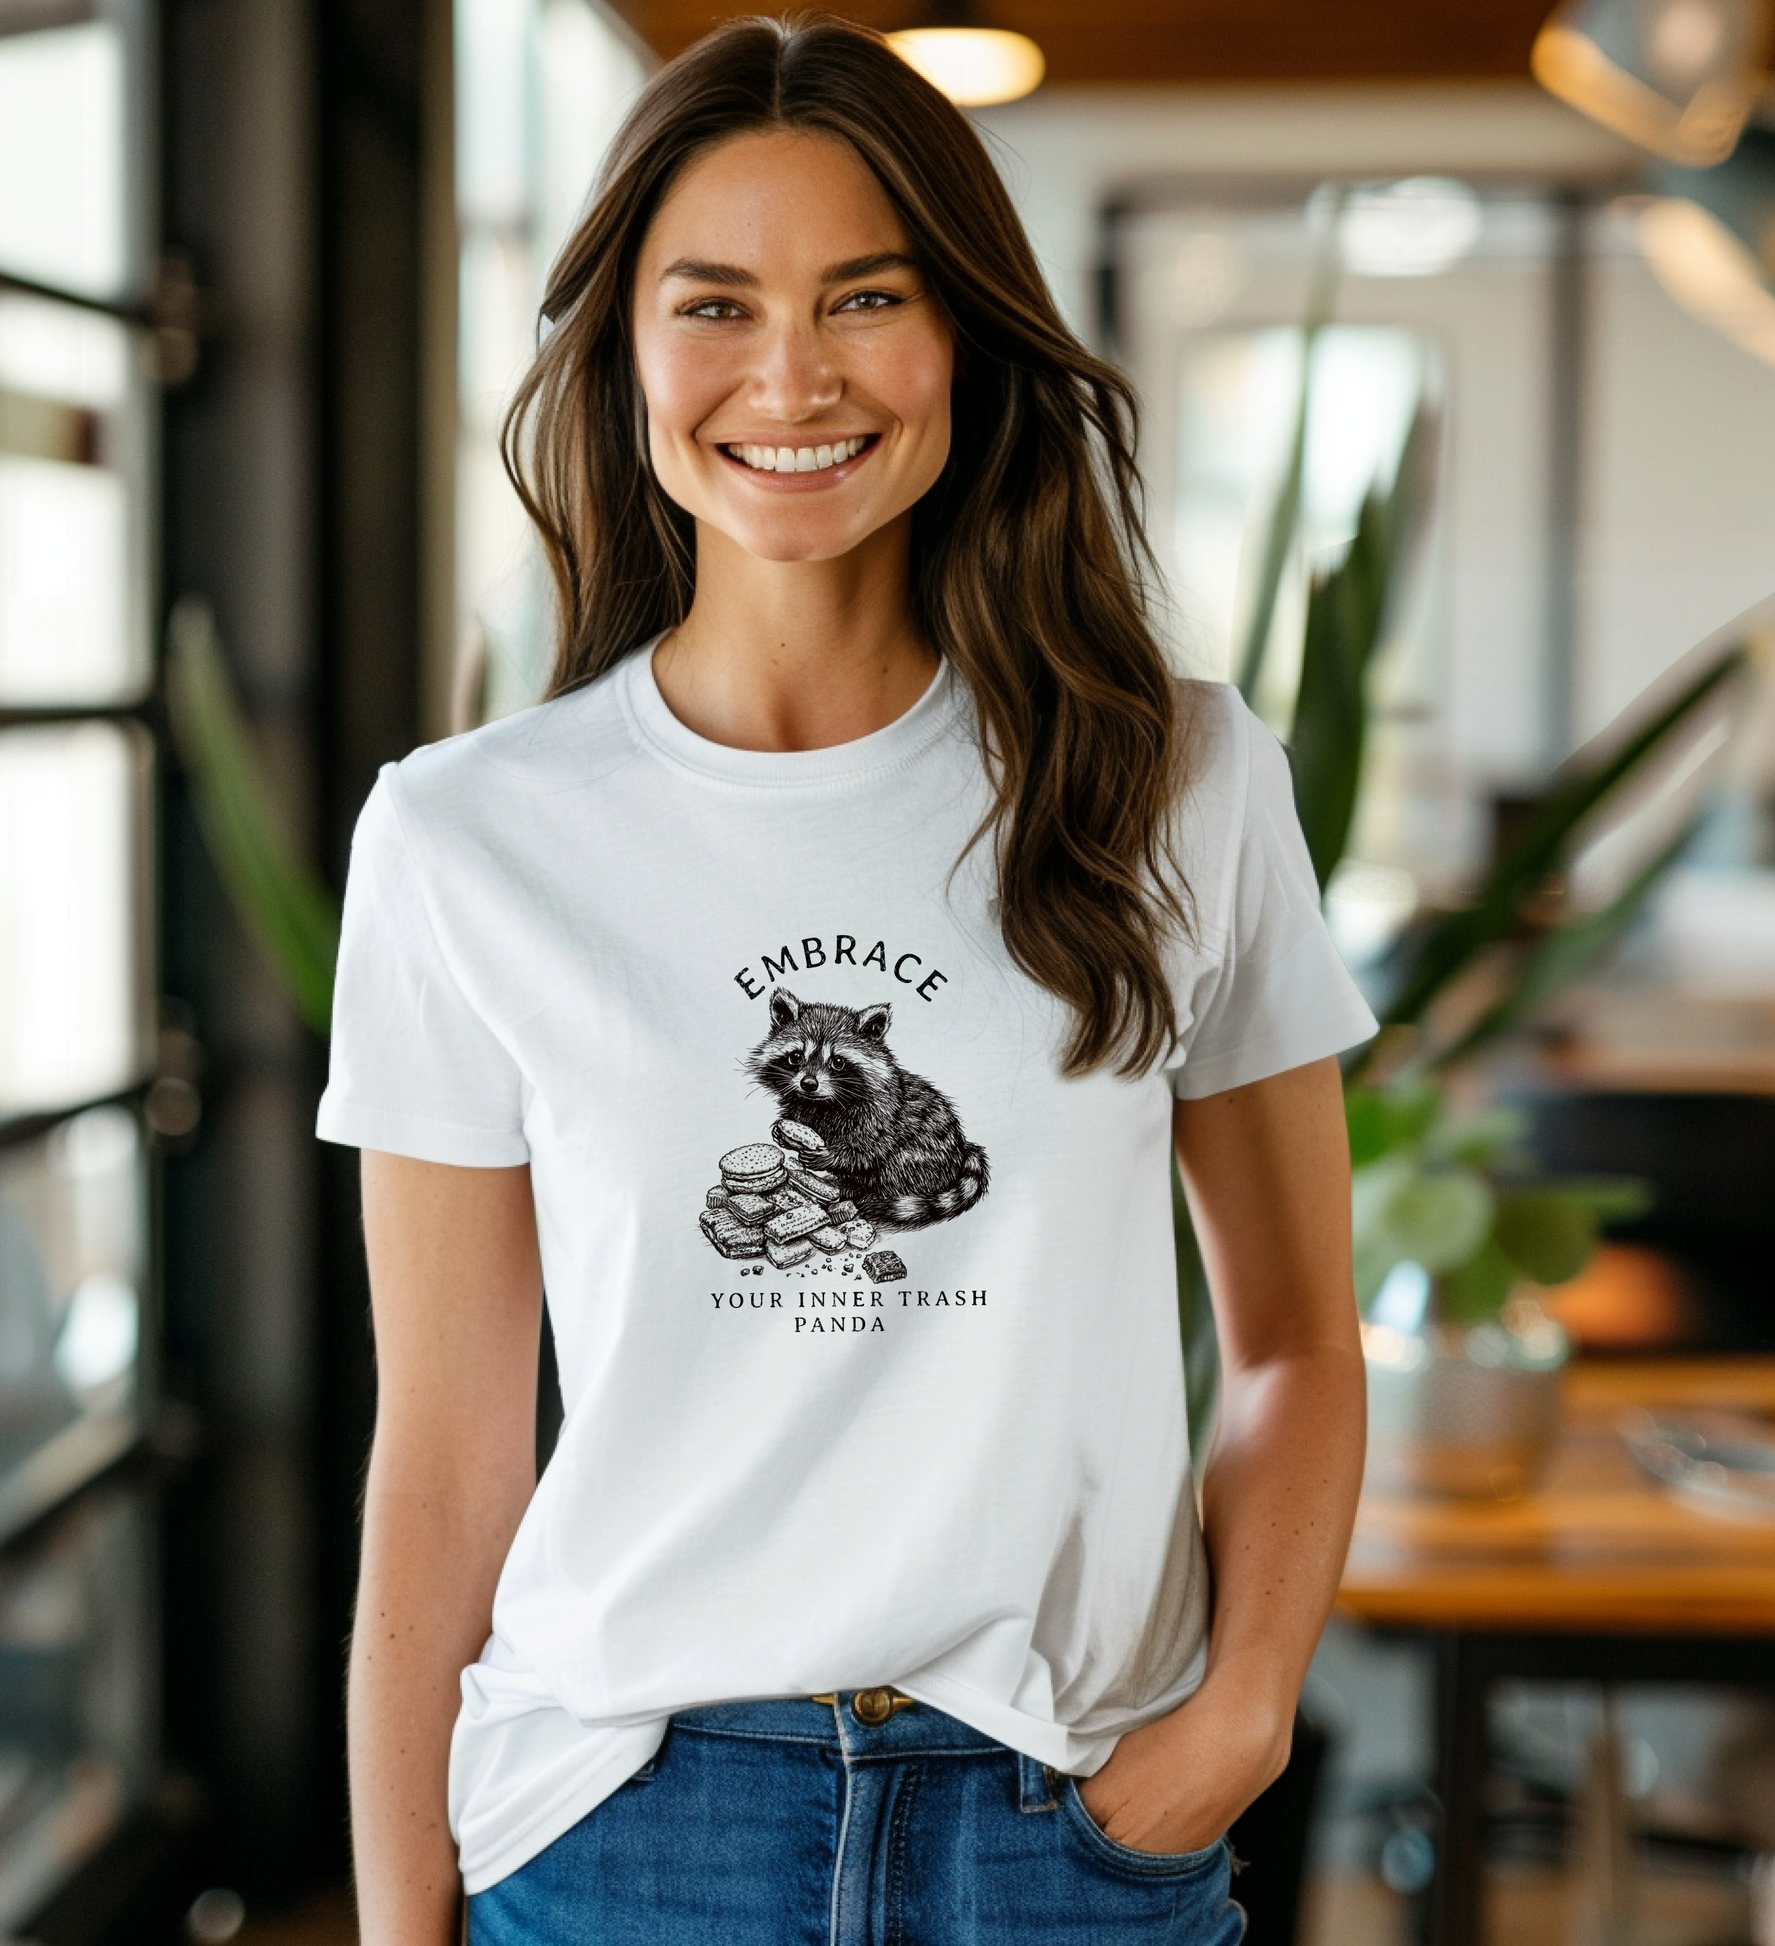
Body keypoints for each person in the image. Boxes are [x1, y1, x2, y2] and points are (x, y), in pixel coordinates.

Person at [318, 15, 1377, 1944]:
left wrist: (1236, 1718)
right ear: (624, 351)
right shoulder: (467, 837)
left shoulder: (1179, 779)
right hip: (623, 1817)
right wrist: (401, 1922)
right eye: (711, 304)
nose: (788, 375)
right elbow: (448, 1459)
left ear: (963, 333)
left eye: (863, 297)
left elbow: (1297, 1339)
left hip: (1066, 1817)